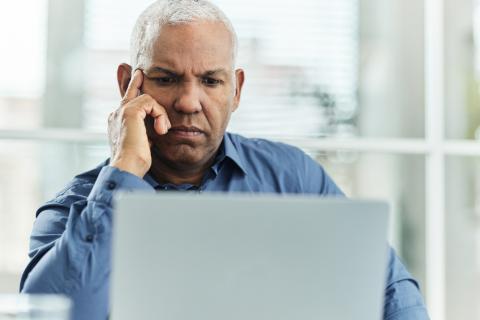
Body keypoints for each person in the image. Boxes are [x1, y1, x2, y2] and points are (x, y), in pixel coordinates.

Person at [20, 1, 430, 319]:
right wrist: (124, 170)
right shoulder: (74, 210)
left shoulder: (293, 178)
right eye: (165, 79)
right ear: (129, 85)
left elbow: (388, 287)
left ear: (235, 90)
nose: (188, 102)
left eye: (211, 81)